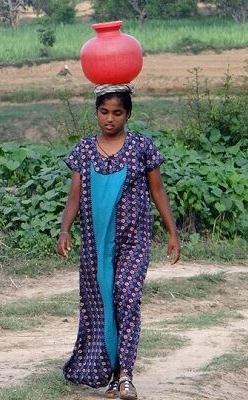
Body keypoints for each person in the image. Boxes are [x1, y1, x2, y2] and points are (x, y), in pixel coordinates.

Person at [56, 84, 180, 400]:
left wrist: (172, 232)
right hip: (96, 245)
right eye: (104, 112)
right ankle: (108, 372)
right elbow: (74, 196)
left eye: (117, 113)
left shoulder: (141, 147)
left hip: (133, 239)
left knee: (126, 297)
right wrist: (65, 229)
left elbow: (158, 191)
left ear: (127, 114)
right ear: (96, 112)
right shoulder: (84, 150)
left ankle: (125, 375)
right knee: (101, 303)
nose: (110, 119)